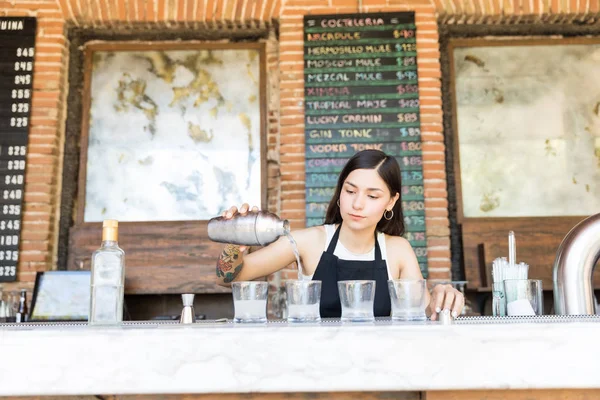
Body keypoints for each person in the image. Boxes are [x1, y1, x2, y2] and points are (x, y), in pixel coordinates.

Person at [215, 149, 464, 320]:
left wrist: (445, 297)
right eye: (350, 191)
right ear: (340, 191)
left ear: (391, 202)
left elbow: (426, 312)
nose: (357, 204)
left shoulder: (398, 250)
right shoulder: (308, 241)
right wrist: (234, 243)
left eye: (372, 196)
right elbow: (227, 278)